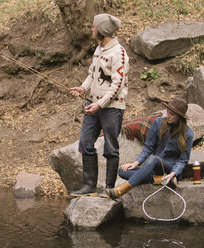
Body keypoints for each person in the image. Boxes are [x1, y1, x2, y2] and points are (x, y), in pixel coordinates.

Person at [69, 13, 129, 197]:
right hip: (93, 105)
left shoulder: (119, 53)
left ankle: (109, 189)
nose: (91, 29)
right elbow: (92, 74)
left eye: (94, 26)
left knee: (111, 148)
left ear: (102, 30)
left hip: (112, 108)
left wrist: (100, 105)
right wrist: (83, 88)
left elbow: (117, 85)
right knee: (86, 142)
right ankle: (89, 187)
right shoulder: (99, 49)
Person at [106, 97, 194, 199]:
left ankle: (121, 190)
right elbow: (148, 147)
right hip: (154, 170)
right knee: (122, 171)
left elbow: (183, 160)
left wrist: (173, 173)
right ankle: (158, 179)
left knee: (154, 158)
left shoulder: (188, 134)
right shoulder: (158, 123)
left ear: (179, 117)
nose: (168, 116)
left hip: (170, 170)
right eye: (168, 112)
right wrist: (136, 163)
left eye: (172, 114)